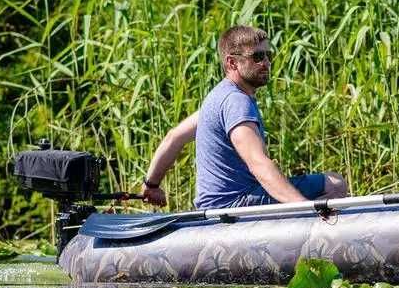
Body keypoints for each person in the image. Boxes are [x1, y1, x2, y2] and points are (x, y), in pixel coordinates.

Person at [138, 25, 348, 208]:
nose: (265, 62)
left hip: (215, 204)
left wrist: (151, 185)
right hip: (236, 205)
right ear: (232, 63)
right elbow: (258, 163)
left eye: (268, 56)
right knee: (335, 184)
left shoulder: (218, 97)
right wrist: (303, 207)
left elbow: (174, 137)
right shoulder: (236, 102)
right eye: (257, 57)